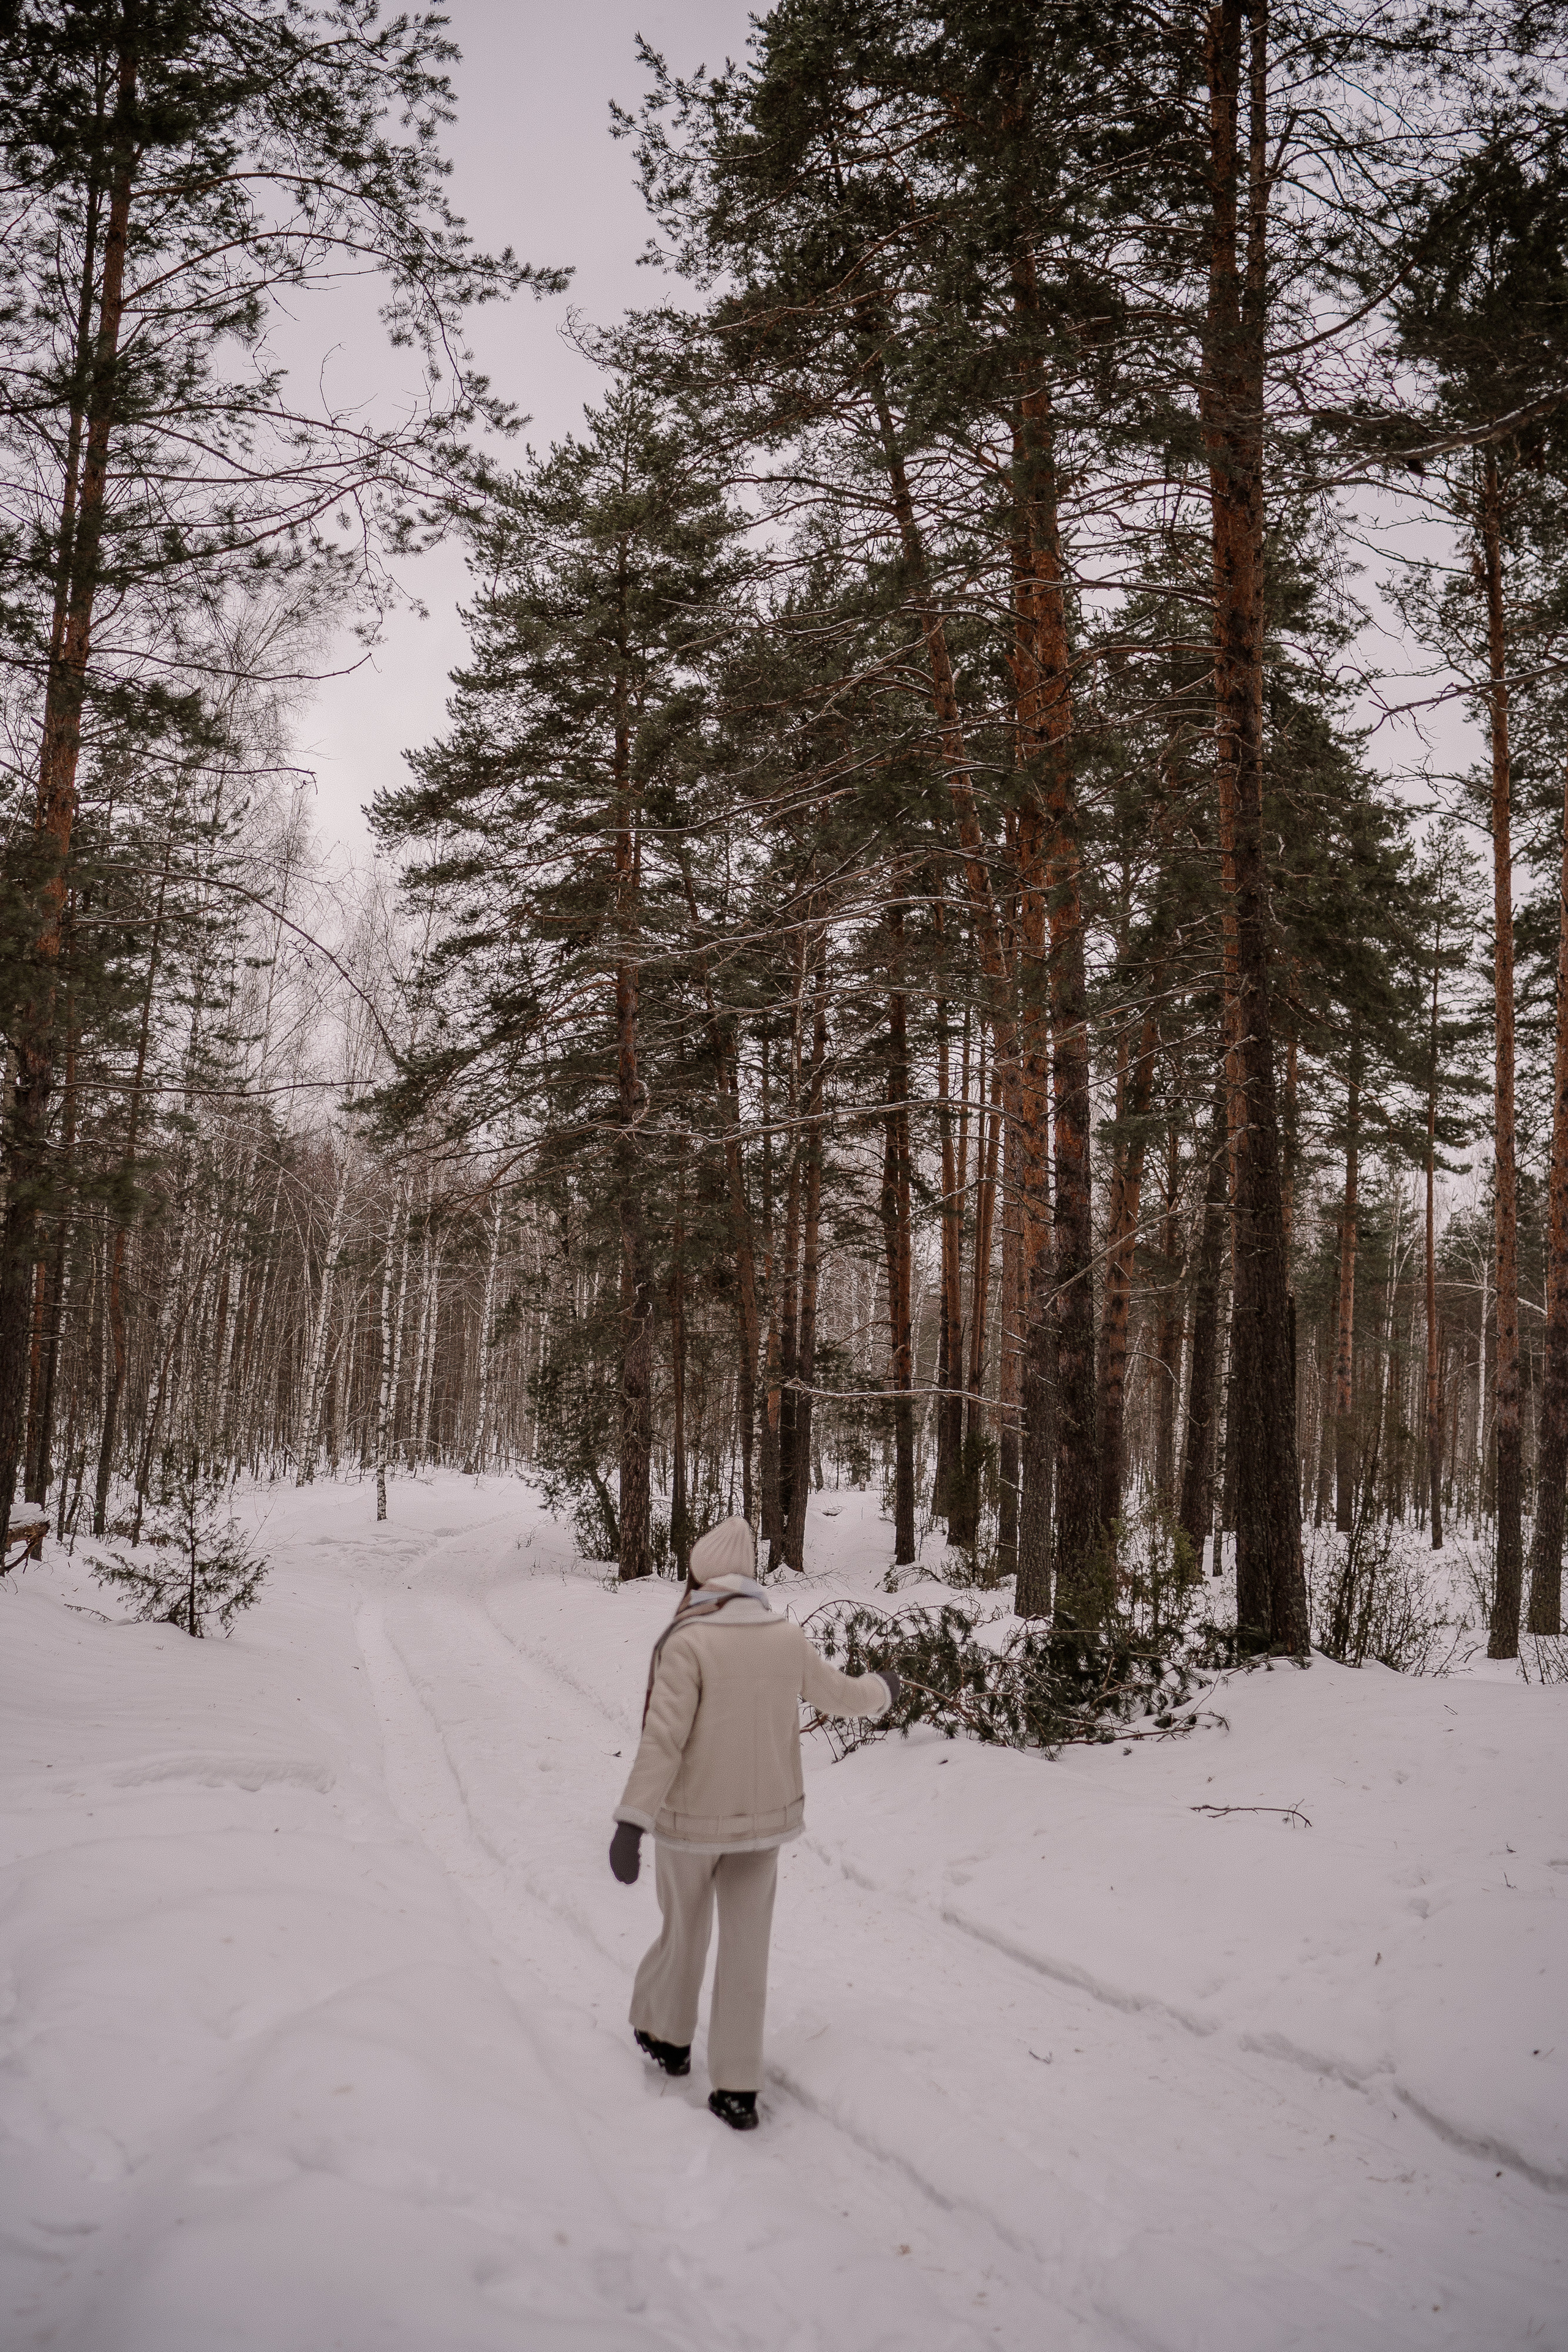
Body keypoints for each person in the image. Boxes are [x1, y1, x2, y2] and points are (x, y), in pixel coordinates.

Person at [608, 1514, 900, 2130]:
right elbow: (838, 1695)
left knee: (684, 1930)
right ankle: (737, 2088)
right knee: (747, 1952)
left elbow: (663, 1741)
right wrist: (881, 1690)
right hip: (763, 1826)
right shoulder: (783, 1636)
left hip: (690, 1824)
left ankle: (668, 2037)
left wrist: (632, 1821)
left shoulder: (687, 1640)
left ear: (703, 1573)